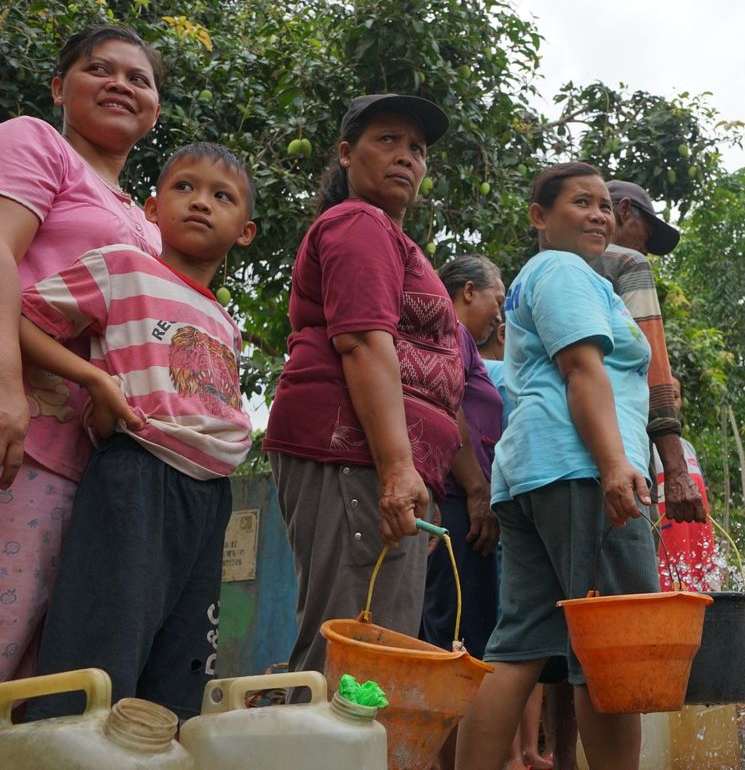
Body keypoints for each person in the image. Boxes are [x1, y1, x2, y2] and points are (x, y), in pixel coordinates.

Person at [0, 23, 165, 719]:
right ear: (58, 89)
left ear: (154, 110)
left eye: (139, 79)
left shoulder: (146, 223)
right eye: (99, 70)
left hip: (85, 463)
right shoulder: (33, 143)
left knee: (23, 691)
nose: (120, 85)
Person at [17, 143, 256, 721]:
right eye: (184, 187)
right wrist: (94, 380)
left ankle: (153, 749)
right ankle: (65, 749)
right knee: (102, 644)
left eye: (221, 196)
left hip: (210, 494)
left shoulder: (227, 324)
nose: (200, 202)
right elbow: (23, 319)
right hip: (137, 473)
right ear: (151, 208)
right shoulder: (123, 266)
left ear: (244, 232)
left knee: (182, 667)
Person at [456, 162, 658, 770]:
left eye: (604, 205)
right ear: (539, 216)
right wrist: (614, 465)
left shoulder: (536, 279)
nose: (599, 215)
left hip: (531, 476)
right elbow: (581, 369)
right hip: (581, 472)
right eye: (581, 203)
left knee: (519, 646)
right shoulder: (565, 271)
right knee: (609, 647)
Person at [263, 94, 463, 695]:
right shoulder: (359, 223)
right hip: (352, 455)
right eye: (388, 141)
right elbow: (363, 344)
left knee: (376, 652)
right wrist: (398, 469)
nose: (406, 157)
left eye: (417, 149)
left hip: (375, 463)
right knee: (354, 651)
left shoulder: (389, 236)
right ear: (347, 154)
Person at [420, 254, 504, 769]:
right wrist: (477, 490)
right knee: (455, 644)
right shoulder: (452, 331)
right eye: (497, 298)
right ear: (469, 291)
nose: (500, 313)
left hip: (460, 503)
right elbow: (447, 402)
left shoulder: (461, 339)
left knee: (458, 638)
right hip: (456, 502)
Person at [590, 180, 705, 527]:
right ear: (624, 210)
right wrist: (676, 470)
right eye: (647, 233)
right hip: (619, 464)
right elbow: (653, 368)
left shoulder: (539, 272)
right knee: (633, 563)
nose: (647, 250)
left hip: (540, 467)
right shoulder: (628, 263)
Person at [479, 320, 556, 770]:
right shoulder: (497, 373)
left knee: (527, 641)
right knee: (518, 640)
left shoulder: (521, 375)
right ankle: (514, 753)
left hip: (510, 497)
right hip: (517, 501)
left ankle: (528, 750)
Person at [653, 372, 718, 591]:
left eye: (674, 396)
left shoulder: (688, 448)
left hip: (695, 548)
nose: (670, 403)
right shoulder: (645, 448)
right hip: (665, 545)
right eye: (663, 397)